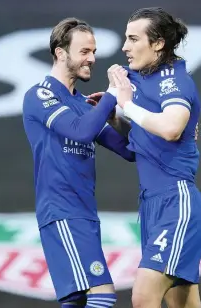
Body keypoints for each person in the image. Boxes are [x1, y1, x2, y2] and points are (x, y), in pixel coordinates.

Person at [22, 17, 135, 308]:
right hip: (63, 212)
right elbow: (81, 131)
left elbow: (129, 150)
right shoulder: (40, 95)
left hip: (83, 213)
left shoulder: (83, 105)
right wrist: (112, 94)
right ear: (61, 53)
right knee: (102, 295)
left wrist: (116, 118)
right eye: (84, 51)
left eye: (93, 51)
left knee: (76, 302)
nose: (92, 58)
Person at [111, 7, 201, 308]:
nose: (125, 47)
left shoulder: (173, 80)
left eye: (133, 38)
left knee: (143, 297)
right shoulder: (140, 80)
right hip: (152, 206)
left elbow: (170, 128)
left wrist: (126, 105)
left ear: (158, 43)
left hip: (176, 204)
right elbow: (138, 142)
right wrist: (115, 116)